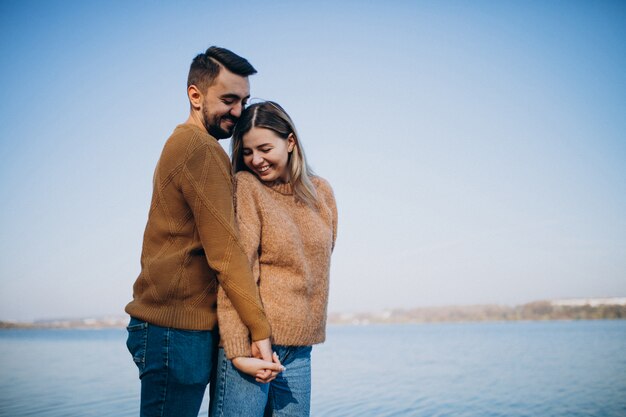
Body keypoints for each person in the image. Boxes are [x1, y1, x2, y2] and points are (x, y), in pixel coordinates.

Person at [124, 47, 282, 417]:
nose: (238, 112)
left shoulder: (181, 143)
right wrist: (261, 332)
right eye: (228, 100)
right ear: (195, 95)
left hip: (169, 329)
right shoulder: (202, 149)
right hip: (175, 330)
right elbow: (226, 253)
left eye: (243, 101)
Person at [210, 101, 338, 417]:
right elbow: (236, 271)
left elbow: (320, 261)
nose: (256, 160)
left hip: (299, 348)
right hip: (254, 345)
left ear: (290, 142)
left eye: (264, 148)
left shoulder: (321, 193)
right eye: (247, 151)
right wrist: (239, 350)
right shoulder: (246, 186)